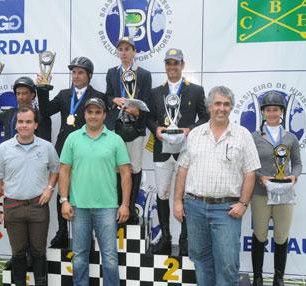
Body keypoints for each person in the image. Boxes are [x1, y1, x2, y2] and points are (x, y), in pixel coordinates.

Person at [173, 86, 261, 286]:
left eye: (226, 104)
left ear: (231, 108)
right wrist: (177, 202)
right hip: (194, 207)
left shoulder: (242, 135)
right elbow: (183, 169)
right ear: (209, 106)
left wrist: (243, 204)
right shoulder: (195, 134)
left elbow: (250, 173)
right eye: (218, 104)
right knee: (201, 261)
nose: (222, 108)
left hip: (226, 210)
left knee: (227, 265)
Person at [59, 97, 131, 286]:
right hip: (78, 207)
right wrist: (64, 200)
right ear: (84, 115)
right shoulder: (72, 138)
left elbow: (125, 173)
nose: (93, 116)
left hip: (107, 208)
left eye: (97, 112)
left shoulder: (115, 140)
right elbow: (64, 170)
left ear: (104, 115)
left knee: (110, 258)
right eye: (90, 112)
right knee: (80, 257)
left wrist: (124, 204)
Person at [37, 56, 106, 248]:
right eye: (73, 72)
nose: (76, 76)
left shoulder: (99, 95)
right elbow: (45, 111)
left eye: (80, 72)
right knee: (63, 191)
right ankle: (62, 232)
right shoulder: (64, 94)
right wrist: (42, 89)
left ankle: (89, 234)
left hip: (88, 150)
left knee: (87, 188)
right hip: (64, 148)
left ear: (89, 75)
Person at [146, 48, 208, 255]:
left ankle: (185, 239)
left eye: (176, 63)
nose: (172, 67)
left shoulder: (196, 90)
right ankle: (165, 237)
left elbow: (205, 117)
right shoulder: (155, 92)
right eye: (168, 63)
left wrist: (191, 130)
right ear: (165, 66)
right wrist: (156, 129)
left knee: (185, 194)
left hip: (186, 150)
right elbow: (148, 117)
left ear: (182, 65)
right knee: (162, 193)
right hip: (162, 150)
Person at [0, 105, 59, 286]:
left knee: (38, 251)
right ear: (16, 124)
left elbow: (55, 170)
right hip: (13, 207)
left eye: (28, 122)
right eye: (20, 122)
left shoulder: (47, 147)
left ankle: (41, 283)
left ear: (35, 125)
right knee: (18, 252)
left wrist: (50, 188)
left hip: (38, 206)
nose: (24, 125)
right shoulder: (3, 149)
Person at [250, 91, 302, 286]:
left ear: (281, 112)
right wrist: (259, 176)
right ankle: (257, 277)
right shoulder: (254, 137)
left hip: (284, 193)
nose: (272, 113)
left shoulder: (290, 138)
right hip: (260, 193)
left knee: (281, 235)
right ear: (263, 112)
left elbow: (297, 163)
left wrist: (294, 176)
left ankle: (279, 277)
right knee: (260, 234)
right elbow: (249, 164)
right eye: (268, 110)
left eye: (276, 109)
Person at [105, 36, 152, 224]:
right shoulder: (111, 73)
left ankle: (131, 208)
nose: (124, 53)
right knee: (117, 168)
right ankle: (118, 205)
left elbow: (148, 102)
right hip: (117, 127)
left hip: (136, 128)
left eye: (127, 49)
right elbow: (107, 96)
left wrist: (138, 111)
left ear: (134, 52)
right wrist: (113, 100)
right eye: (121, 49)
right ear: (117, 52)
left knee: (134, 168)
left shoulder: (144, 74)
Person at [0, 76, 51, 142]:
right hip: (10, 151)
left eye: (24, 93)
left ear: (32, 95)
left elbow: (44, 145)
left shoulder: (41, 116)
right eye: (18, 94)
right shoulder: (10, 113)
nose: (20, 97)